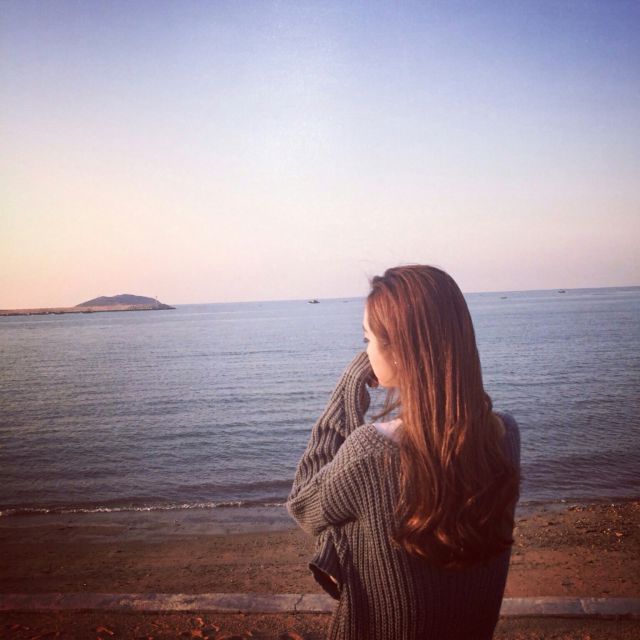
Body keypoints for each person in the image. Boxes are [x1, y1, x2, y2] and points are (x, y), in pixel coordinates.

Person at [286, 264, 521, 640]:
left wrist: (348, 387)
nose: (365, 352)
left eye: (367, 339)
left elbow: (303, 506)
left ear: (399, 350)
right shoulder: (505, 435)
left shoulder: (369, 452)